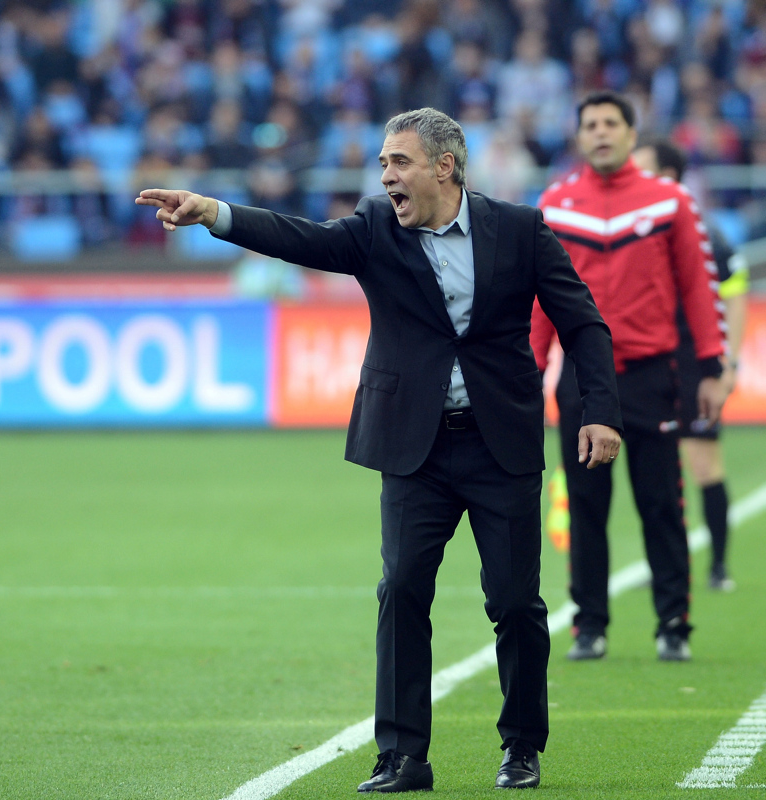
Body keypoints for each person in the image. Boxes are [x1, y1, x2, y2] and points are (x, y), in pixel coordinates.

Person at [137, 107, 622, 793]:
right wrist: (214, 212)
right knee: (400, 591)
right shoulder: (374, 227)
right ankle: (401, 756)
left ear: (444, 167)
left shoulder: (520, 229)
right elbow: (299, 238)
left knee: (515, 603)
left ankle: (521, 746)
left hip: (500, 445)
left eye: (399, 162)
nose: (386, 176)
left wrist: (599, 413)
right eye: (383, 164)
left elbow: (583, 323)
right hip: (414, 447)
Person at [531, 91, 728, 664]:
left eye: (610, 123)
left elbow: (698, 286)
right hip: (581, 379)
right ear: (579, 137)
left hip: (651, 375)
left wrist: (711, 366)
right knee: (586, 505)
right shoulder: (557, 204)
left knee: (661, 503)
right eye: (590, 124)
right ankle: (589, 625)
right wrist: (530, 367)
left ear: (630, 134)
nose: (600, 132)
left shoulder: (669, 201)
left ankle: (673, 624)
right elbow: (538, 297)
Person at [632, 137, 749, 591]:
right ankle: (666, 563)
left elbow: (734, 296)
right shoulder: (632, 227)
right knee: (656, 470)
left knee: (703, 463)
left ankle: (718, 566)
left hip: (695, 363)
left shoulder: (704, 230)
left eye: (643, 167)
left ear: (669, 176)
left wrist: (727, 362)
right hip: (648, 363)